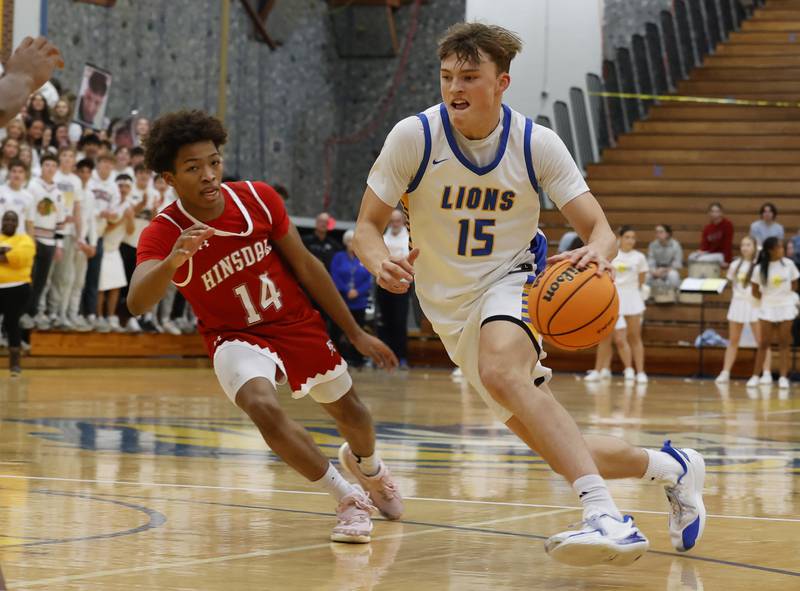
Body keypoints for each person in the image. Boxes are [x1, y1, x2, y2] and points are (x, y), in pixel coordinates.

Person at [354, 22, 705, 565]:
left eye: (470, 77)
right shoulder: (414, 137)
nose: (455, 89)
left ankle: (606, 516)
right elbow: (365, 228)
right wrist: (381, 262)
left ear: (502, 83)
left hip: (514, 282)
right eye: (447, 77)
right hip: (448, 310)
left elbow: (600, 229)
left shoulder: (535, 143)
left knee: (502, 372)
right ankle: (674, 468)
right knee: (557, 444)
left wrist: (599, 253)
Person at [128, 109, 404, 544]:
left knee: (353, 415)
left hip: (294, 322)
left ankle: (369, 469)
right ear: (168, 177)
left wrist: (354, 332)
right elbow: (137, 300)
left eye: (213, 161)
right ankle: (347, 498)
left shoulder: (257, 199)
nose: (208, 174)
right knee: (261, 406)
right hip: (232, 335)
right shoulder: (164, 232)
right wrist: (172, 262)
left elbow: (308, 266)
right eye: (192, 167)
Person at [715, 236, 771, 384]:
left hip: (754, 305)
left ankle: (766, 373)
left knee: (762, 341)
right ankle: (725, 372)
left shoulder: (760, 266)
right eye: (743, 245)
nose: (745, 248)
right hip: (737, 304)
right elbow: (731, 283)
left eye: (748, 245)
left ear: (755, 247)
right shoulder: (735, 264)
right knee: (733, 340)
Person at [747, 237, 799, 389]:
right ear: (771, 250)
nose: (782, 250)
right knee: (764, 343)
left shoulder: (789, 264)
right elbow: (755, 291)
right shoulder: (759, 269)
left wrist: (784, 297)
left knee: (784, 342)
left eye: (783, 247)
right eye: (779, 248)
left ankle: (783, 377)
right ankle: (756, 376)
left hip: (786, 306)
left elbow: (795, 284)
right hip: (768, 307)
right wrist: (768, 299)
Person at [20, 152, 64, 331]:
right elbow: (26, 215)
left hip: (50, 242)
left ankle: (32, 313)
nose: (50, 168)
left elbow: (60, 220)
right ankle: (21, 313)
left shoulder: (59, 192)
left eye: (53, 166)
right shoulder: (32, 186)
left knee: (41, 281)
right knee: (28, 279)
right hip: (33, 239)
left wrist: (59, 245)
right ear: (42, 167)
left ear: (56, 169)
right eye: (47, 165)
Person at [81, 153, 121, 326]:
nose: (107, 166)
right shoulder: (89, 182)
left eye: (110, 164)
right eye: (104, 162)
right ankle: (78, 312)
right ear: (98, 164)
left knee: (93, 278)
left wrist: (111, 216)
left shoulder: (113, 187)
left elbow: (116, 213)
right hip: (83, 233)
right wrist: (99, 213)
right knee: (79, 277)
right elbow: (84, 207)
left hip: (99, 236)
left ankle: (91, 314)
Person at [48, 147, 84, 329]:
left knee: (63, 276)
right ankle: (43, 312)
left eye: (71, 156)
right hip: (49, 230)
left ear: (74, 160)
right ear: (59, 158)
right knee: (48, 275)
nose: (68, 158)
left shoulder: (76, 181)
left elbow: (77, 209)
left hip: (68, 233)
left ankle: (57, 313)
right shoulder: (53, 176)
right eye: (65, 155)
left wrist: (80, 236)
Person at [96, 174, 134, 333]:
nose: (123, 190)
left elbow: (130, 231)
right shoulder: (110, 204)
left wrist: (129, 219)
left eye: (126, 187)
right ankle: (99, 317)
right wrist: (121, 220)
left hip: (115, 249)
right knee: (101, 287)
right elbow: (104, 230)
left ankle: (111, 317)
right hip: (103, 247)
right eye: (120, 186)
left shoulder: (129, 206)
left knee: (116, 286)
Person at [330, 229, 373, 368]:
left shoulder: (363, 257)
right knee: (338, 330)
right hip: (342, 300)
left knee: (359, 330)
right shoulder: (338, 257)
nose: (351, 243)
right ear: (345, 243)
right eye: (349, 241)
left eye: (354, 241)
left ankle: (358, 358)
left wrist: (358, 291)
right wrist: (346, 290)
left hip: (359, 301)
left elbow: (369, 278)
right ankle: (339, 358)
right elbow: (334, 275)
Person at [0, 211, 35, 375]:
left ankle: (15, 364)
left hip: (18, 288)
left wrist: (6, 256)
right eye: (6, 219)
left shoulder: (25, 239)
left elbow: (22, 257)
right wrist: (7, 255)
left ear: (17, 223)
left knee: (12, 322)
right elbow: (13, 257)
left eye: (12, 220)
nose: (9, 222)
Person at [378, 209, 411, 368]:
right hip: (384, 284)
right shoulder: (384, 238)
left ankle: (401, 357)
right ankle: (384, 358)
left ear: (403, 222)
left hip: (403, 284)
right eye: (392, 221)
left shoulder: (409, 238)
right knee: (385, 321)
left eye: (397, 220)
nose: (395, 224)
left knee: (399, 321)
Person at [688, 202, 733, 268]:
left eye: (717, 211)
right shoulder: (707, 228)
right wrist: (701, 252)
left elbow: (727, 244)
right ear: (709, 213)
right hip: (709, 253)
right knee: (691, 257)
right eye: (712, 211)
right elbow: (704, 245)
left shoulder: (727, 225)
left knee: (701, 260)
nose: (715, 214)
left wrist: (727, 261)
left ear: (721, 213)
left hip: (721, 254)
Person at [0, 160, 35, 236]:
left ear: (25, 174)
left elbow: (29, 224)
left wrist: (32, 244)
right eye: (14, 171)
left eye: (20, 172)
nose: (17, 174)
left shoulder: (29, 197)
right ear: (9, 173)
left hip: (18, 241)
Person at [647, 224, 682, 293]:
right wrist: (654, 271)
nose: (658, 234)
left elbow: (677, 264)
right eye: (656, 232)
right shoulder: (652, 245)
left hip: (669, 270)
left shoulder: (675, 245)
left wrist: (664, 270)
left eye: (661, 232)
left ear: (667, 234)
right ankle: (649, 297)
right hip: (656, 270)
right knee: (646, 276)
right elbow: (650, 261)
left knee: (673, 276)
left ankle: (672, 295)